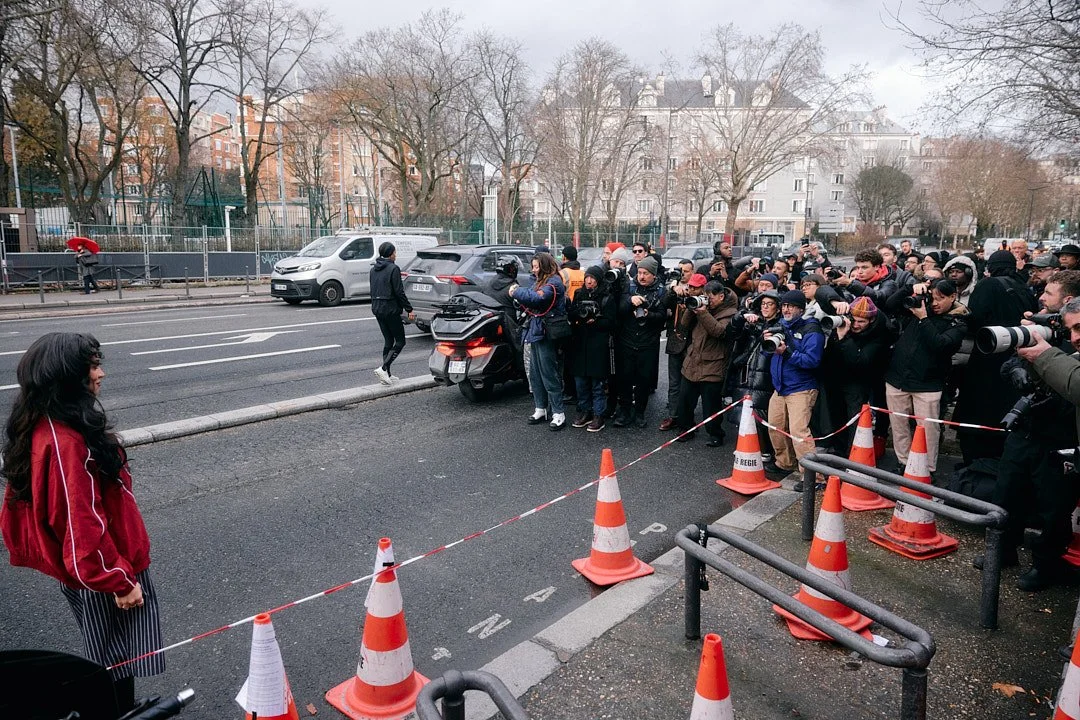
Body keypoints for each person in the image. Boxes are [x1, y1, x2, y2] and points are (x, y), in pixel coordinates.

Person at [0, 333, 164, 713]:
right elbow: (79, 523)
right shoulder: (65, 442)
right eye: (91, 366)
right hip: (102, 570)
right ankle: (119, 711)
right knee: (114, 652)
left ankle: (124, 707)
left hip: (98, 566)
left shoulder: (48, 424)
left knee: (118, 649)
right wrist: (118, 581)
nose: (101, 373)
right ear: (66, 377)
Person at [954, 250, 1039, 463]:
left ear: (990, 267)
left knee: (978, 415)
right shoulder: (1024, 289)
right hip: (1018, 359)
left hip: (987, 358)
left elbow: (973, 321)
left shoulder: (987, 285)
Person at [884, 279, 969, 476]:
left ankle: (927, 469)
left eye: (941, 299)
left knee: (928, 429)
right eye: (933, 298)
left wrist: (923, 319)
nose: (935, 303)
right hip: (897, 379)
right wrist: (909, 288)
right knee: (898, 425)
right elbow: (890, 305)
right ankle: (903, 462)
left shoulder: (959, 321)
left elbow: (940, 345)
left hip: (928, 384)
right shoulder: (920, 307)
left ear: (953, 297)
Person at [821, 296, 894, 456]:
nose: (855, 325)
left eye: (861, 321)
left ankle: (853, 456)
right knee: (836, 419)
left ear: (871, 321)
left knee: (853, 421)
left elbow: (860, 361)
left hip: (858, 384)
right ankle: (839, 452)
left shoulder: (879, 335)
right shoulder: (843, 325)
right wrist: (834, 302)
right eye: (853, 320)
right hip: (835, 380)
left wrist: (844, 338)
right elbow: (822, 292)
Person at [763, 289, 825, 477]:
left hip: (802, 387)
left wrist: (788, 352)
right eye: (784, 306)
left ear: (800, 308)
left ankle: (812, 476)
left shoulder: (812, 330)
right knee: (775, 426)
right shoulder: (781, 326)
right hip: (781, 387)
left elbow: (812, 361)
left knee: (799, 432)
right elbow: (766, 353)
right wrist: (766, 342)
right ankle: (785, 463)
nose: (786, 310)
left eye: (791, 306)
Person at [675, 280, 738, 446]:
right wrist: (692, 307)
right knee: (685, 401)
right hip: (693, 361)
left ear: (721, 296)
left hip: (713, 365)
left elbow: (719, 331)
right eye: (706, 297)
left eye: (711, 297)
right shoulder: (703, 307)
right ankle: (686, 428)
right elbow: (684, 325)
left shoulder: (730, 312)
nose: (707, 300)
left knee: (711, 406)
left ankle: (716, 434)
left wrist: (703, 313)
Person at [511, 253, 569, 430]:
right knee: (535, 373)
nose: (534, 270)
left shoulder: (554, 282)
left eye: (536, 267)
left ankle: (558, 412)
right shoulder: (541, 281)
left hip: (546, 332)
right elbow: (532, 300)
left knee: (548, 373)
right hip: (535, 330)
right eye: (533, 267)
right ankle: (541, 407)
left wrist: (516, 291)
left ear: (544, 266)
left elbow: (538, 299)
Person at [614, 255, 667, 428]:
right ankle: (624, 412)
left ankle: (640, 413)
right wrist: (630, 301)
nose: (641, 276)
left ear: (653, 274)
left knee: (644, 381)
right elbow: (619, 310)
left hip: (648, 343)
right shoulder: (628, 287)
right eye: (640, 272)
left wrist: (647, 314)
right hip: (627, 341)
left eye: (646, 273)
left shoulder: (661, 291)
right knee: (624, 379)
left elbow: (662, 317)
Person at [568, 266, 616, 432]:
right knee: (580, 382)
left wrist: (595, 320)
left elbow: (611, 322)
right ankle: (585, 411)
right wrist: (579, 315)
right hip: (580, 343)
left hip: (598, 344)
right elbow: (572, 314)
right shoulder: (579, 294)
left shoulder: (607, 297)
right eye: (587, 278)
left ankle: (598, 414)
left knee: (597, 383)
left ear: (599, 279)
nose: (589, 281)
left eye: (593, 278)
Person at [659, 270, 704, 431]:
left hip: (693, 347)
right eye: (690, 287)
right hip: (675, 343)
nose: (691, 290)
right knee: (674, 384)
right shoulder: (678, 295)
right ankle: (673, 416)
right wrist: (673, 290)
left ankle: (687, 418)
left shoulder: (704, 302)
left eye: (696, 288)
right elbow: (663, 303)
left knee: (690, 386)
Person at [370, 242, 414, 385]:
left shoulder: (373, 269)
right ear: (390, 254)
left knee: (389, 341)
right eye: (395, 252)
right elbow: (399, 291)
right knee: (400, 341)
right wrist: (409, 309)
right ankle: (383, 369)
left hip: (377, 308)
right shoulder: (393, 268)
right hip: (390, 309)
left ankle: (386, 375)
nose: (396, 255)